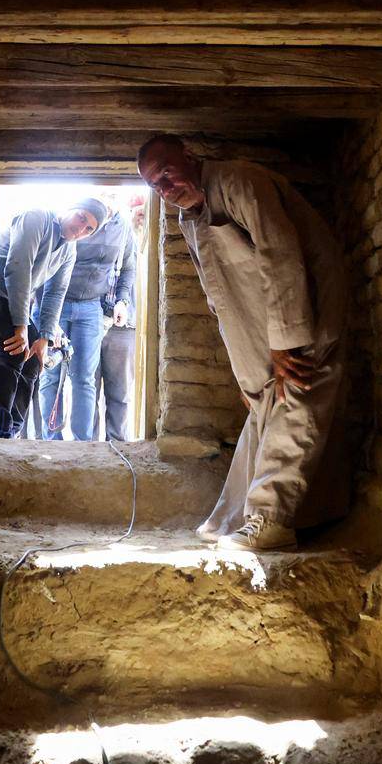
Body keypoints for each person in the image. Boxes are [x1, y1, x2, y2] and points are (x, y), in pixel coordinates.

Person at [137, 134, 350, 551]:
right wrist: (247, 369)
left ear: (190, 156)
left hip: (307, 309)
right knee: (263, 406)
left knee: (297, 396)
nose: (163, 188)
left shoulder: (241, 182)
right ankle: (248, 517)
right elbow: (220, 300)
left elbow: (281, 254)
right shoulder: (189, 219)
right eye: (154, 185)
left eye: (166, 172)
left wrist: (286, 342)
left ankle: (270, 520)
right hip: (260, 328)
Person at [0, 200, 104, 438]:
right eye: (81, 217)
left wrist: (45, 339)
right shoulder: (37, 218)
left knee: (34, 361)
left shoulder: (69, 249)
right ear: (69, 208)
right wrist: (21, 326)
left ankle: (12, 431)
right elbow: (17, 269)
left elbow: (55, 292)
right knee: (15, 352)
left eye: (89, 228)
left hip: (14, 302)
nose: (81, 229)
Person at [37, 196, 137, 441]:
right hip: (56, 302)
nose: (109, 199)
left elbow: (128, 267)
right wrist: (47, 317)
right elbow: (46, 266)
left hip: (91, 307)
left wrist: (122, 300)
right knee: (50, 374)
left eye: (114, 195)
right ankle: (53, 441)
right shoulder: (78, 221)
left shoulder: (122, 227)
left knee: (84, 378)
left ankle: (83, 444)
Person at [95, 193, 148, 441]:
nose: (139, 214)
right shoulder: (109, 236)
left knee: (120, 391)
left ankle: (117, 444)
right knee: (88, 387)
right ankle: (88, 446)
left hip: (126, 324)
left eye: (143, 211)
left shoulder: (147, 245)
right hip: (94, 318)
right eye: (134, 209)